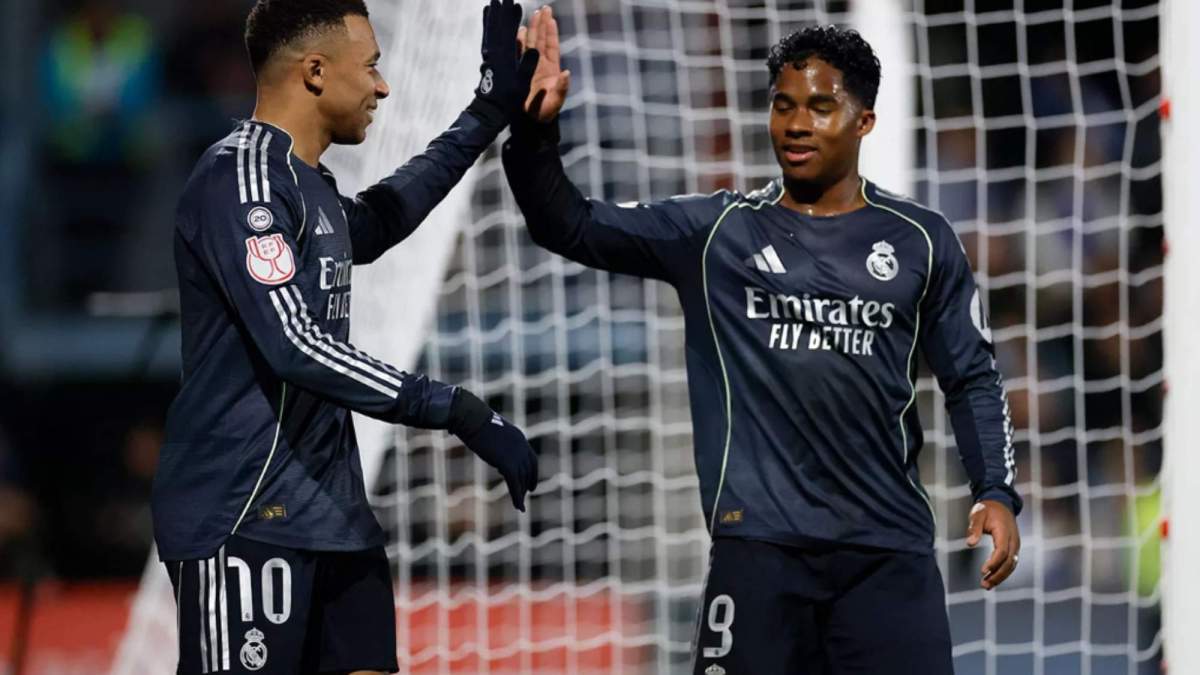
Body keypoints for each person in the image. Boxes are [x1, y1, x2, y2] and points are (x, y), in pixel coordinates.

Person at [506, 14, 1021, 674]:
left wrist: (997, 489)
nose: (796, 124)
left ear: (864, 121)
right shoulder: (716, 233)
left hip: (888, 557)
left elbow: (971, 375)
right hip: (760, 553)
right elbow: (566, 223)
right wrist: (533, 131)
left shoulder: (922, 239)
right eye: (782, 106)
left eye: (820, 107)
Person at [152, 1, 540, 673]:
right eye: (371, 67)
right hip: (245, 513)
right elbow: (295, 344)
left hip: (333, 517)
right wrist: (456, 409)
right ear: (313, 71)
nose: (383, 86)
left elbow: (383, 218)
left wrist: (487, 112)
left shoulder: (310, 186)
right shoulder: (238, 180)